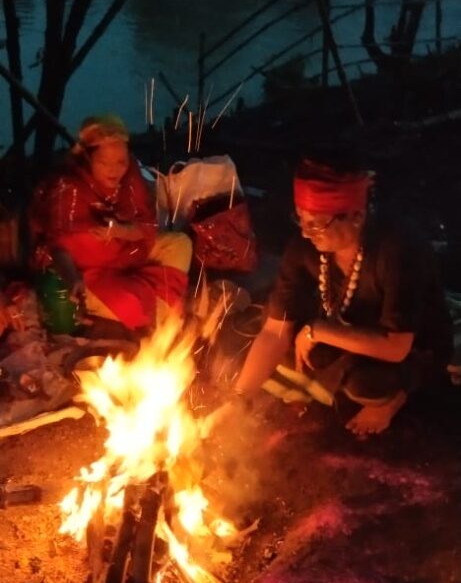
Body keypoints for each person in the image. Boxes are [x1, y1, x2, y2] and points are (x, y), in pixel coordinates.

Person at [230, 151, 453, 436]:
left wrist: (318, 330)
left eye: (316, 223)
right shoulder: (305, 249)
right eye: (301, 219)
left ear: (356, 216)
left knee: (366, 385)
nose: (306, 232)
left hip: (411, 346)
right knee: (276, 342)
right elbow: (275, 332)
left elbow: (396, 347)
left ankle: (396, 398)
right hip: (350, 329)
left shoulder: (397, 249)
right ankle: (337, 377)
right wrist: (239, 400)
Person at [29, 114, 192, 332]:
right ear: (87, 159)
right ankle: (154, 305)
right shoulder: (68, 186)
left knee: (179, 244)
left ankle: (153, 303)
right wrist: (73, 279)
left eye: (121, 162)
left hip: (127, 254)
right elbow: (57, 247)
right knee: (134, 306)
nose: (114, 170)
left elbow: (145, 227)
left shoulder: (130, 176)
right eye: (104, 163)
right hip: (88, 274)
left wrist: (119, 231)